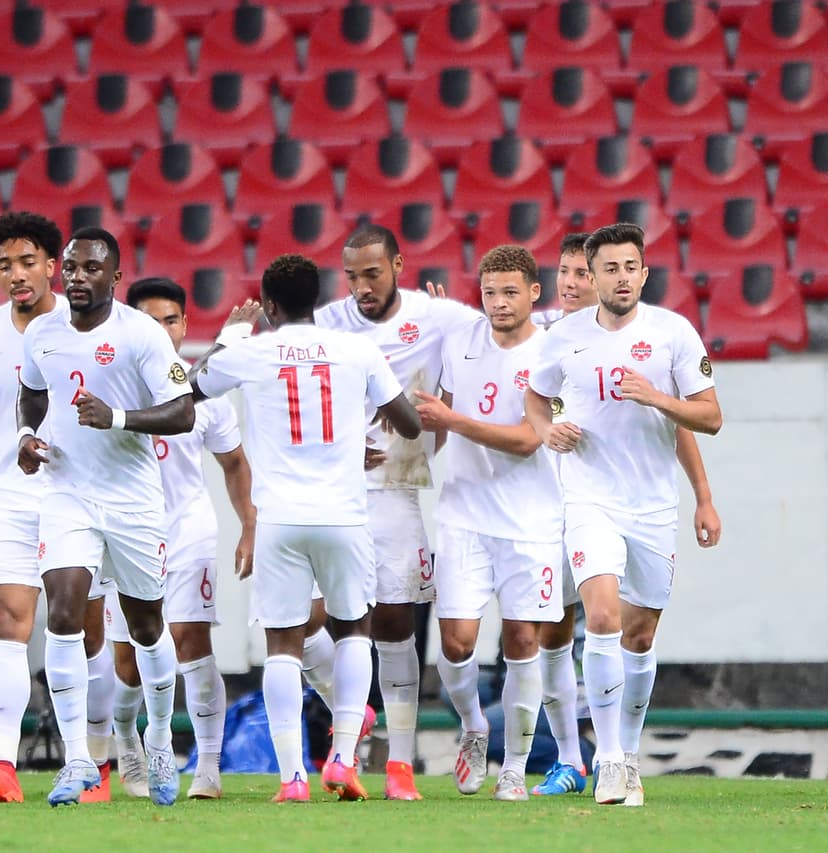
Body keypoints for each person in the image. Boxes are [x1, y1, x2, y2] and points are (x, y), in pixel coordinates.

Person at [190, 254, 422, 804]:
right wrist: (347, 441)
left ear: (269, 306)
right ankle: (342, 758)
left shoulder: (252, 351)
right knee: (354, 631)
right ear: (317, 300)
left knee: (282, 645)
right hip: (344, 515)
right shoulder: (356, 348)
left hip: (279, 520)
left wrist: (228, 336)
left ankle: (293, 777)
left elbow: (191, 387)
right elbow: (409, 422)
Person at [526, 223, 723, 806]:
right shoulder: (564, 337)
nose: (620, 277)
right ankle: (607, 760)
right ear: (593, 273)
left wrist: (657, 399)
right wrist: (546, 430)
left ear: (643, 271)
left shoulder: (673, 333)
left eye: (629, 267)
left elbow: (708, 418)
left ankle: (629, 754)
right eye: (607, 268)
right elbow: (535, 397)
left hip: (653, 506)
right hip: (590, 499)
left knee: (641, 635)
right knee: (603, 614)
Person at [16, 226, 194, 807]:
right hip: (67, 492)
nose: (77, 278)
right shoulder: (41, 333)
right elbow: (33, 393)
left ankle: (161, 740)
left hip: (133, 499)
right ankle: (78, 761)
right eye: (70, 268)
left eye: (91, 269)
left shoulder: (141, 334)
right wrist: (27, 435)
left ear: (115, 277)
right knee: (64, 614)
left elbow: (183, 412)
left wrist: (116, 417)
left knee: (145, 627)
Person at [0, 212, 118, 805]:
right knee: (6, 626)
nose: (16, 275)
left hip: (76, 492)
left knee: (85, 635)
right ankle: (3, 766)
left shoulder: (84, 329)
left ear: (52, 265)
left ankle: (96, 760)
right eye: (3, 266)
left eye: (27, 262)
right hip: (9, 495)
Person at [309, 224, 479, 800]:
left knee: (394, 628)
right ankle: (349, 715)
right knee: (307, 623)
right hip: (327, 494)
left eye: (372, 274)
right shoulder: (327, 321)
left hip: (395, 491)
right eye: (351, 275)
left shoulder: (440, 317)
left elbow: (507, 329)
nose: (360, 287)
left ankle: (399, 765)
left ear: (399, 266)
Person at [414, 245, 563, 801]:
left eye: (509, 292)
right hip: (464, 516)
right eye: (489, 292)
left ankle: (514, 768)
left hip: (530, 522)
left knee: (523, 639)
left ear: (533, 294)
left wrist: (453, 419)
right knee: (456, 643)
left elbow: (528, 441)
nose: (498, 303)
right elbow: (438, 423)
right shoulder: (461, 342)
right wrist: (409, 465)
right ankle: (475, 727)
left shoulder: (551, 354)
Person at [106, 277, 256, 800]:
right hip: (125, 532)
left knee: (192, 642)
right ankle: (128, 740)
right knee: (127, 662)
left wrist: (248, 524)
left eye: (171, 320)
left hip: (189, 528)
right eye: (151, 321)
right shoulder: (113, 385)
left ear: (184, 324)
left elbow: (234, 463)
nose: (163, 330)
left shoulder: (207, 395)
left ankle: (208, 768)